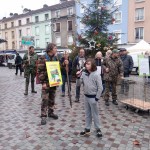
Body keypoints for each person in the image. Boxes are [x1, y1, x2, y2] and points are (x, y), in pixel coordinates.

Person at [76, 58, 103, 138]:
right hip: (86, 97)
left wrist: (97, 98)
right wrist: (78, 77)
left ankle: (98, 129)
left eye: (88, 64)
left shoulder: (96, 74)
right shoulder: (84, 74)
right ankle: (87, 128)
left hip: (93, 97)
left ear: (93, 65)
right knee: (87, 114)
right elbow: (78, 84)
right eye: (86, 64)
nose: (86, 65)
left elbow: (100, 88)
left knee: (95, 114)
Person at [37, 43, 59, 125]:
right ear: (50, 49)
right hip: (46, 82)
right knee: (45, 100)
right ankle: (43, 116)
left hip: (53, 81)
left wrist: (64, 64)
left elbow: (58, 68)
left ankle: (51, 112)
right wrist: (43, 83)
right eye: (55, 48)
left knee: (52, 98)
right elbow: (40, 72)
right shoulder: (43, 58)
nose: (56, 49)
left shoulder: (55, 57)